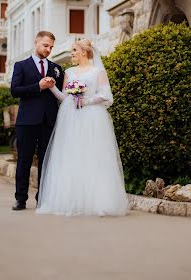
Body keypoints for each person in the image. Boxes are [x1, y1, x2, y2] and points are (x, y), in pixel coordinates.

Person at [36, 38, 128, 216]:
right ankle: (73, 200)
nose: (71, 53)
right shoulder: (69, 72)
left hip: (92, 118)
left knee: (92, 156)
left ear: (84, 52)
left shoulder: (98, 71)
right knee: (72, 156)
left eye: (74, 50)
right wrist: (52, 87)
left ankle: (97, 202)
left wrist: (86, 101)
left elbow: (106, 95)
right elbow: (65, 98)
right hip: (71, 118)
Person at [10, 30, 64, 211]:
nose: (48, 49)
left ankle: (43, 198)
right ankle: (20, 199)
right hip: (27, 121)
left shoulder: (57, 68)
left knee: (46, 161)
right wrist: (38, 86)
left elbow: (62, 94)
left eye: (51, 47)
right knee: (24, 160)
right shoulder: (21, 65)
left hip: (49, 120)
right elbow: (15, 90)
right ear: (36, 43)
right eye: (45, 45)